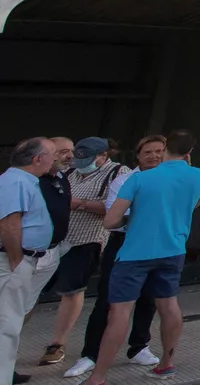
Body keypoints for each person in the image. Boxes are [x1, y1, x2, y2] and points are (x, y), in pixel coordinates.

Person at [80, 130, 200, 385]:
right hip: (173, 250)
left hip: (134, 254)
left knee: (119, 313)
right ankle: (166, 363)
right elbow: (196, 202)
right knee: (169, 305)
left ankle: (98, 377)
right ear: (189, 153)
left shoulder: (138, 179)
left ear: (164, 150)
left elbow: (110, 221)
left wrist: (133, 218)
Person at [66, 136, 164, 379]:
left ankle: (139, 346)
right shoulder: (124, 180)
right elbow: (115, 217)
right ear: (138, 157)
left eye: (159, 151)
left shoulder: (173, 180)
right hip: (124, 242)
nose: (153, 156)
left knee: (149, 298)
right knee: (107, 301)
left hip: (159, 243)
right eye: (148, 152)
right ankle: (90, 354)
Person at [38, 138, 122, 368]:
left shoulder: (116, 172)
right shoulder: (69, 172)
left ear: (103, 156)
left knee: (72, 289)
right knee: (35, 289)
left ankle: (57, 343)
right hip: (56, 239)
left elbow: (116, 206)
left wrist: (80, 203)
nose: (73, 160)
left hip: (87, 240)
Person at [2, 138, 62, 385]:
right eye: (53, 154)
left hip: (20, 259)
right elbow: (9, 222)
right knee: (6, 324)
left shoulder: (25, 181)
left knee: (10, 322)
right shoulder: (15, 180)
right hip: (12, 260)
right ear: (38, 159)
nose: (56, 158)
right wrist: (17, 258)